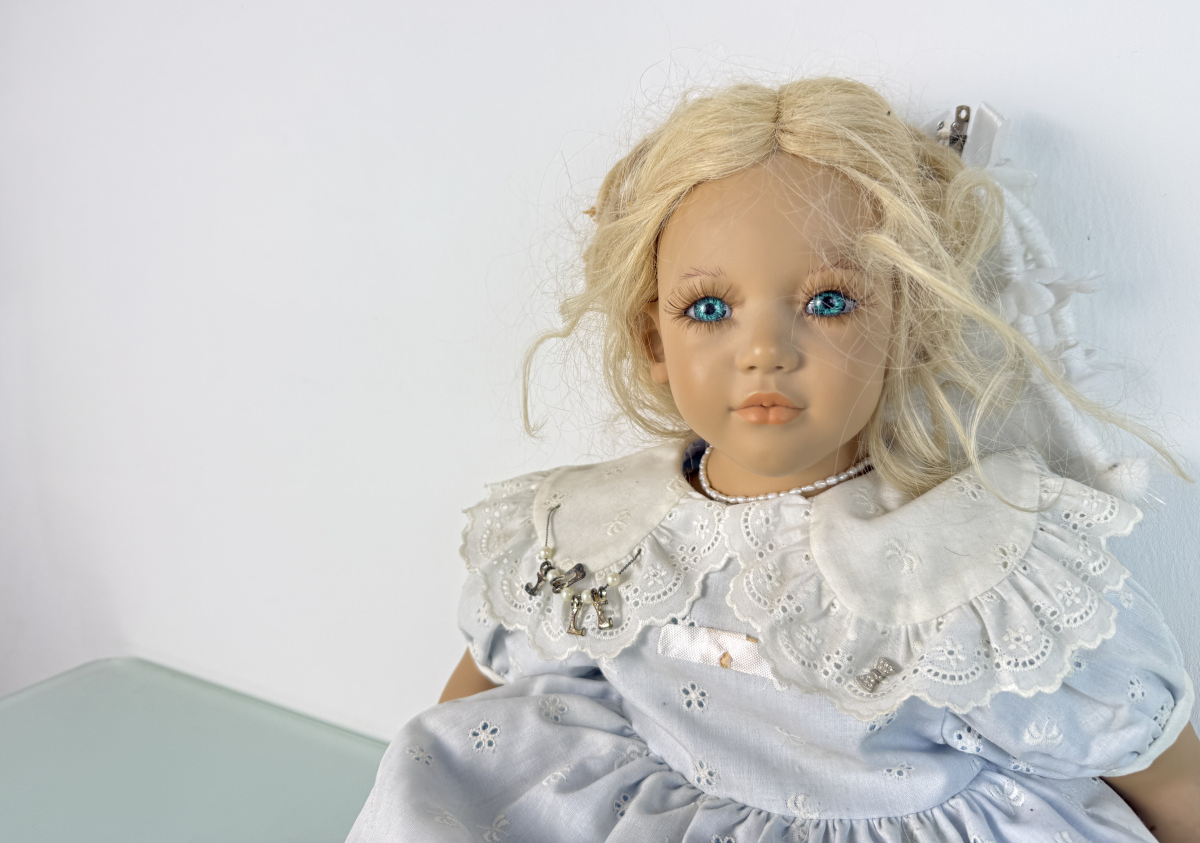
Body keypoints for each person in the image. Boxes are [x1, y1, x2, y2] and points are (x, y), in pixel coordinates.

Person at [348, 78, 1200, 842]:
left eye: (828, 302)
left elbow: (1172, 784)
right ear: (654, 338)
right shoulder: (601, 534)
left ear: (905, 326)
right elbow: (470, 720)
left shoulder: (978, 568)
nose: (765, 351)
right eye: (708, 308)